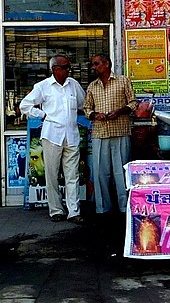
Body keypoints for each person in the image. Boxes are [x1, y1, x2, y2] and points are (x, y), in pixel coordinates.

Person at [19, 55, 86, 223]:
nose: (67, 70)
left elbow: (82, 104)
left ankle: (74, 212)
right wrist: (42, 115)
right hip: (52, 136)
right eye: (64, 67)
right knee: (52, 175)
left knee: (73, 176)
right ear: (54, 69)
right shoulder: (43, 87)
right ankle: (56, 210)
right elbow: (24, 105)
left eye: (68, 67)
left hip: (71, 135)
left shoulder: (74, 85)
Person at [84, 54, 138, 216]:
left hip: (120, 130)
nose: (93, 67)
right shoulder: (92, 86)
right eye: (92, 64)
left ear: (106, 64)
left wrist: (120, 111)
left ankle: (124, 207)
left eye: (96, 64)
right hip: (100, 133)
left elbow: (133, 103)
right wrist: (95, 115)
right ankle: (103, 208)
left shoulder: (123, 81)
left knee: (121, 172)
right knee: (101, 173)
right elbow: (86, 109)